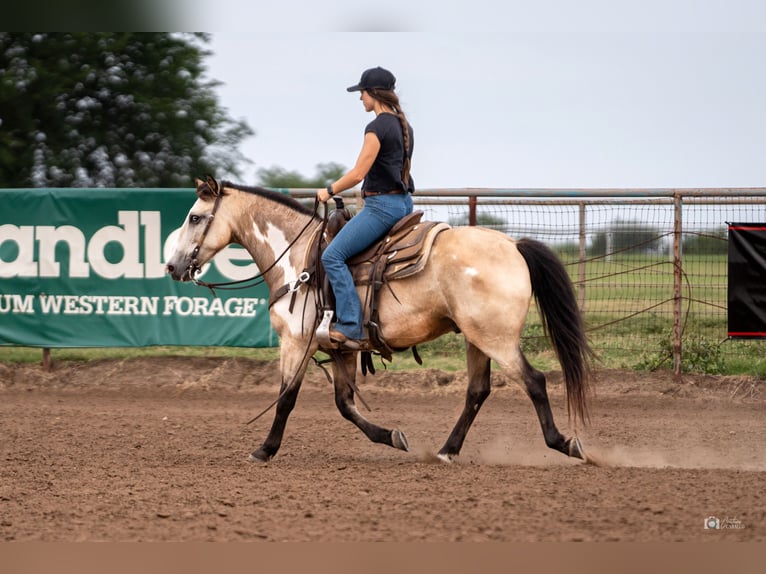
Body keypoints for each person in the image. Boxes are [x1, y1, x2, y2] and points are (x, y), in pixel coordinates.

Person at [317, 66, 415, 349]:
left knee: (332, 256)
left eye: (362, 92)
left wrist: (329, 190)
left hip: (381, 207)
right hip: (403, 203)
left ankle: (351, 326)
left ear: (373, 93)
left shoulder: (376, 127)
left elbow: (359, 173)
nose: (360, 98)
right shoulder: (405, 127)